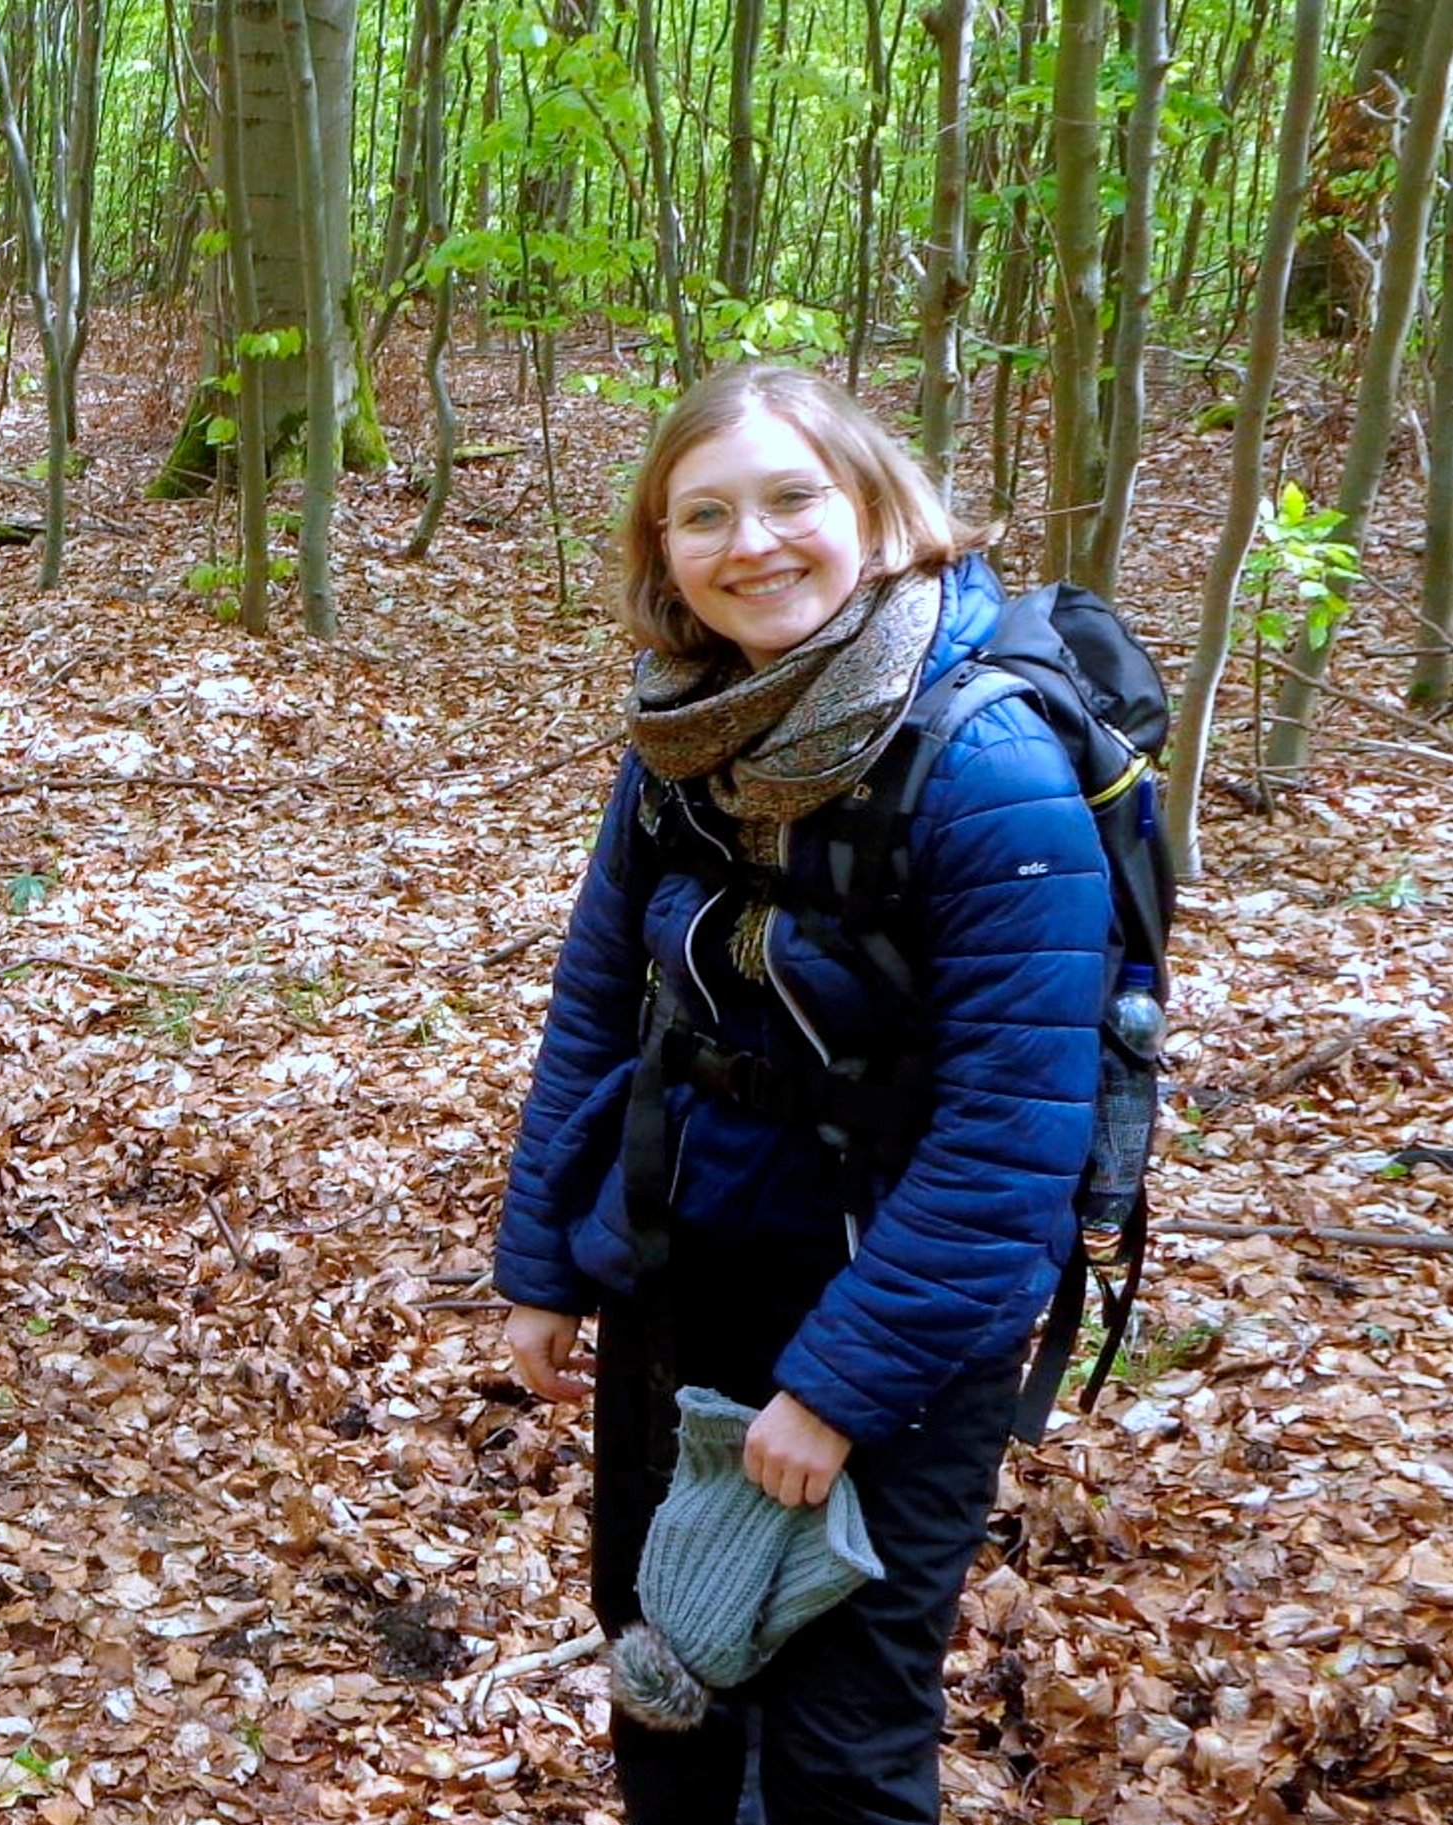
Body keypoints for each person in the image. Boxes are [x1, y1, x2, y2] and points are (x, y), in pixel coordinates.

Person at [495, 363, 1109, 1822]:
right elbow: (595, 1005)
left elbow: (1011, 1143)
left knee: (840, 1733)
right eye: (703, 515)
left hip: (894, 1306)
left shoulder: (987, 763)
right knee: (665, 1666)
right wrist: (537, 1266)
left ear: (876, 506)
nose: (751, 544)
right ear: (664, 555)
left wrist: (831, 1393)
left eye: (789, 499)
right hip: (687, 1261)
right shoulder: (684, 737)